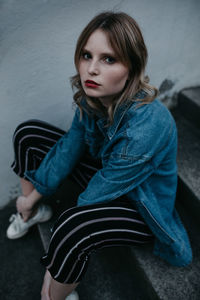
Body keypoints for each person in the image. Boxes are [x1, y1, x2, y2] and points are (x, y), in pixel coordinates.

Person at [7, 11, 192, 300]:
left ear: (132, 66)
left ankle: (53, 296)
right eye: (86, 55)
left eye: (109, 59)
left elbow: (100, 191)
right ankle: (31, 213)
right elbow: (71, 146)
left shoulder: (148, 124)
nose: (91, 69)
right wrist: (32, 197)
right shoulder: (92, 97)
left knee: (72, 228)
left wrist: (55, 260)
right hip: (107, 177)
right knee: (27, 133)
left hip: (141, 206)